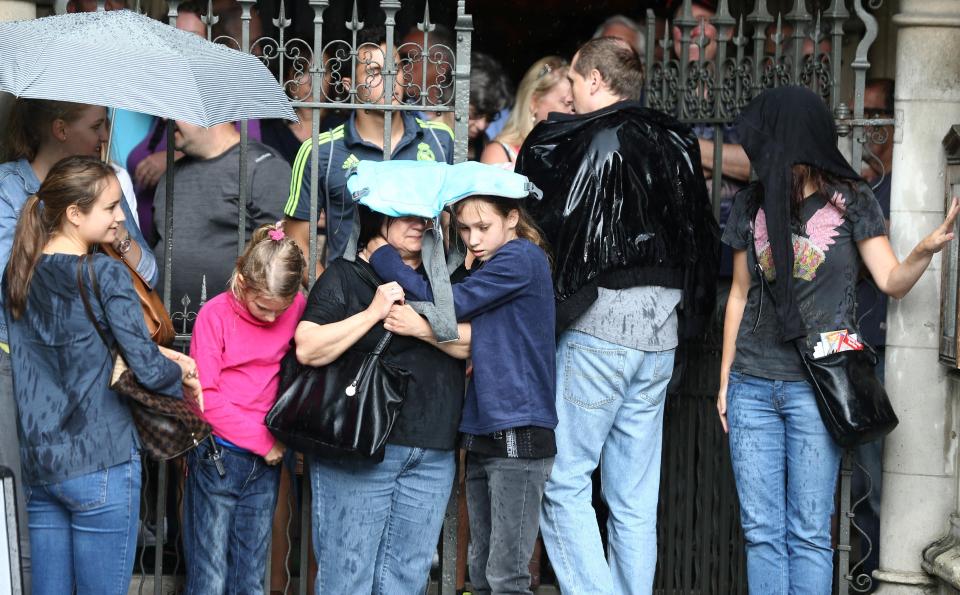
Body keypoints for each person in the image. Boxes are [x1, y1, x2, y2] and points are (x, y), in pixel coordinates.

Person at [717, 85, 958, 594]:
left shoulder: (852, 200)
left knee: (807, 533)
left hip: (816, 387)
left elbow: (890, 280)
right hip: (751, 386)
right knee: (761, 533)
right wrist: (724, 384)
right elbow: (738, 295)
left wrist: (925, 250)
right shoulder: (750, 204)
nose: (756, 151)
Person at [518, 37, 718, 594]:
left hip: (600, 325)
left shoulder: (594, 139)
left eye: (576, 85)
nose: (571, 99)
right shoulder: (673, 140)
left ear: (597, 82)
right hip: (662, 329)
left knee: (561, 482)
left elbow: (555, 227)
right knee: (633, 496)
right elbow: (697, 236)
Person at [3, 156, 202, 595]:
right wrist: (179, 373)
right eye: (110, 207)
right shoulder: (105, 273)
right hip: (102, 458)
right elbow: (147, 370)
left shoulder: (20, 273)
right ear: (74, 214)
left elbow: (69, 346)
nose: (120, 218)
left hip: (41, 462)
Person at [367, 167, 556, 595]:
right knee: (483, 572)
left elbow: (443, 307)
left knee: (506, 576)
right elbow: (462, 328)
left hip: (518, 428)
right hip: (488, 425)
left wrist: (383, 256)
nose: (473, 239)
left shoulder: (519, 258)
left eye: (484, 227)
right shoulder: (492, 262)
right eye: (466, 228)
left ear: (512, 218)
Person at [0, 99, 158, 592]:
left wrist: (114, 234)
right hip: (30, 373)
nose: (105, 132)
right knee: (32, 525)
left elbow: (148, 270)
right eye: (96, 124)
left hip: (91, 382)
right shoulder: (9, 185)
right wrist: (70, 240)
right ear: (60, 129)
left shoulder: (102, 187)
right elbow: (15, 279)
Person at [293, 205, 470, 593]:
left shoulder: (449, 279)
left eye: (426, 215)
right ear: (379, 219)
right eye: (405, 214)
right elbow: (307, 348)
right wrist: (373, 312)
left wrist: (423, 329)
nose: (419, 223)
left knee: (407, 580)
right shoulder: (347, 274)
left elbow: (481, 342)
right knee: (347, 575)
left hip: (433, 450)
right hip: (359, 445)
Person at [182, 222, 306, 594]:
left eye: (279, 311)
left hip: (267, 460)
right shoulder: (214, 315)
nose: (270, 318)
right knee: (210, 575)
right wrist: (263, 441)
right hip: (219, 455)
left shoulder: (295, 305)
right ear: (241, 280)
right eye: (262, 307)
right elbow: (204, 395)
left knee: (251, 576)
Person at [284, 26, 454, 276]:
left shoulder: (440, 139)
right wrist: (333, 298)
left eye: (394, 69)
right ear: (349, 84)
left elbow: (454, 226)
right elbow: (297, 240)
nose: (389, 80)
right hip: (352, 299)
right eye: (374, 72)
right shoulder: (321, 151)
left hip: (425, 296)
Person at [153, 118, 289, 332]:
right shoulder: (172, 172)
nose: (164, 118)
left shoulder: (263, 168)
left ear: (208, 111)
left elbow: (276, 255)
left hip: (231, 335)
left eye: (179, 110)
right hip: (168, 332)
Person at [852, 76, 896, 589]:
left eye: (877, 113)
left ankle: (869, 575)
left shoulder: (896, 184)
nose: (867, 122)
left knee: (872, 481)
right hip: (842, 343)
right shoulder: (849, 181)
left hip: (881, 346)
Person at [480, 56, 573, 169]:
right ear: (534, 102)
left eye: (575, 104)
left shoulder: (572, 151)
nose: (573, 111)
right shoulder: (499, 154)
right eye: (567, 103)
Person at [467, 52, 514, 160]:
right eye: (476, 113)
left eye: (490, 117)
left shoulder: (485, 144)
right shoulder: (430, 141)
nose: (482, 125)